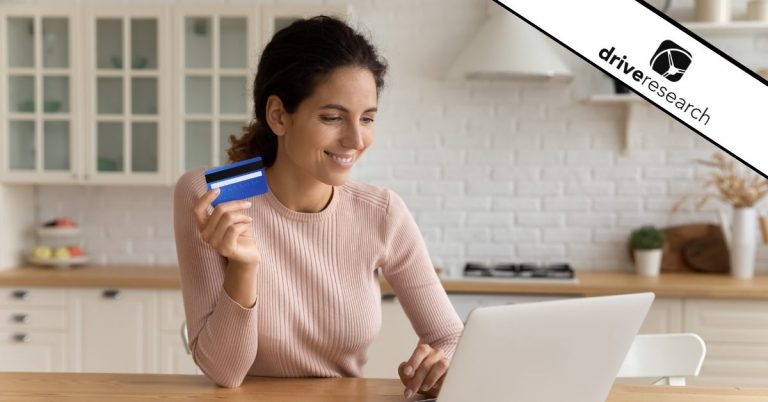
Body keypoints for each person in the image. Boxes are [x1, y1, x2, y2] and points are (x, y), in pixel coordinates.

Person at [173, 15, 463, 399]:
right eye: (332, 117)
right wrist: (243, 267)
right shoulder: (214, 194)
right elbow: (225, 372)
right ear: (278, 115)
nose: (356, 139)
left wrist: (440, 364)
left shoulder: (381, 212)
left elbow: (450, 337)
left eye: (368, 119)